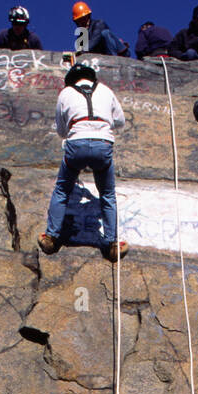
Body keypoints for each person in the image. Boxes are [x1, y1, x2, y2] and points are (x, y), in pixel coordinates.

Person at [38, 62, 128, 261]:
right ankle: (112, 244)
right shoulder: (105, 90)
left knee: (62, 190)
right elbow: (120, 121)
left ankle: (51, 237)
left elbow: (61, 131)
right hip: (103, 144)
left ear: (71, 80)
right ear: (92, 77)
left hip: (76, 143)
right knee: (107, 194)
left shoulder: (65, 93)